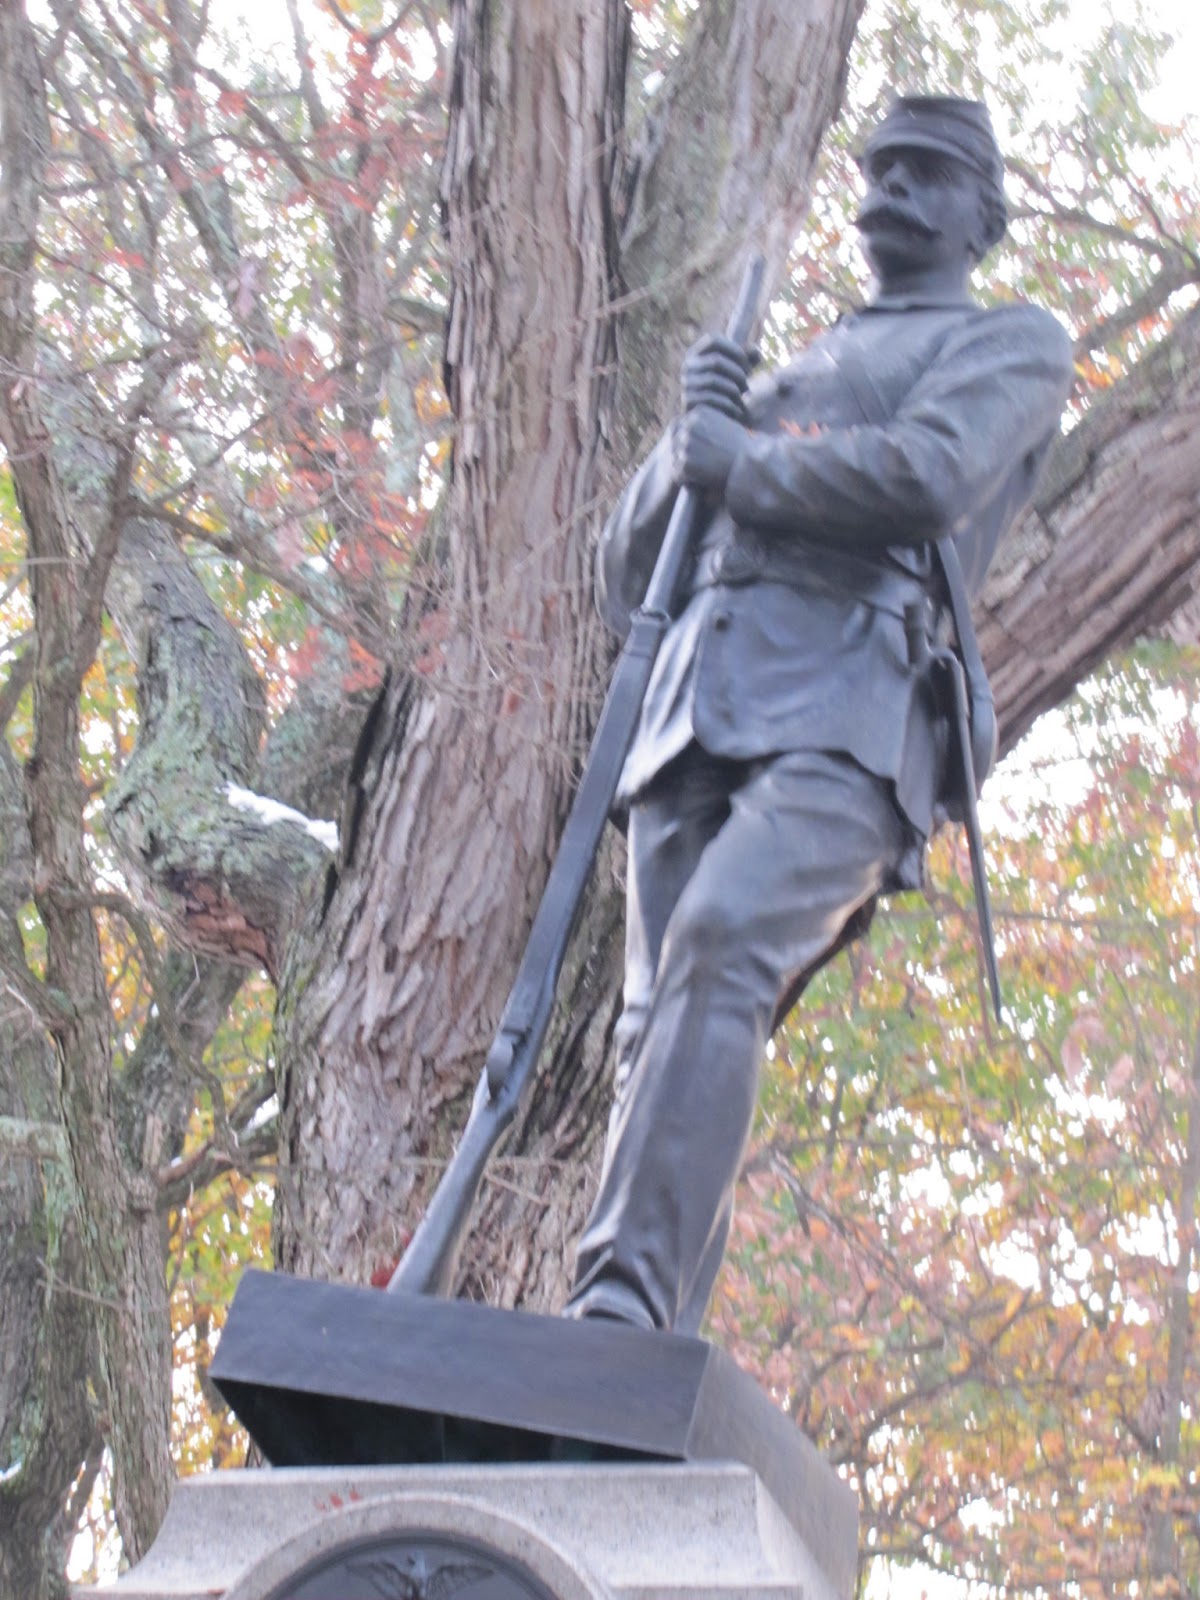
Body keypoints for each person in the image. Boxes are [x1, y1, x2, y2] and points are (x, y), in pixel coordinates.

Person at [563, 95, 1074, 1336]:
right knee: (653, 1026)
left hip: (851, 701)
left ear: (984, 216)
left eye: (927, 173)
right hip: (694, 707)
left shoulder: (1009, 341)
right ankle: (640, 1338)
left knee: (724, 939)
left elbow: (930, 474)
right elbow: (626, 575)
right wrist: (687, 438)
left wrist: (745, 463)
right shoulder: (784, 366)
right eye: (881, 168)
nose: (891, 189)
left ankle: (619, 1302)